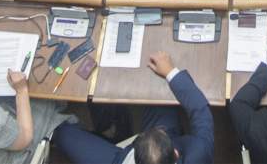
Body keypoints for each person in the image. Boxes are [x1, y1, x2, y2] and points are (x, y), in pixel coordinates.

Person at [53, 51, 211, 164]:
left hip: (118, 159)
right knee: (158, 89)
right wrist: (171, 73)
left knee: (62, 134)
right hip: (137, 151)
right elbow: (201, 113)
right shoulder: (198, 154)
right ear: (176, 154)